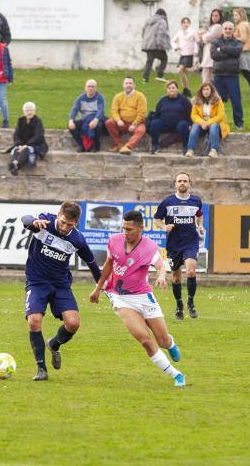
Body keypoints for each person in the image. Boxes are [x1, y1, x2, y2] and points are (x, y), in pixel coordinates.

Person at [89, 210, 185, 388]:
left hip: (144, 297)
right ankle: (176, 374)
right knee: (145, 340)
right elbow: (108, 265)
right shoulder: (114, 241)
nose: (125, 233)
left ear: (141, 228)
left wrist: (162, 276)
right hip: (121, 299)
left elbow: (160, 266)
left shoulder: (149, 247)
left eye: (130, 229)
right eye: (123, 228)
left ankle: (170, 343)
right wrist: (98, 289)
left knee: (162, 341)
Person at [21, 201, 101, 381]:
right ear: (58, 214)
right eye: (63, 222)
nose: (65, 228)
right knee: (34, 321)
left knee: (73, 324)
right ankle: (41, 368)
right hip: (37, 281)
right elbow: (24, 219)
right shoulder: (45, 223)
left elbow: (92, 264)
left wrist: (101, 287)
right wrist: (33, 221)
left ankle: (54, 344)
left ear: (76, 223)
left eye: (70, 224)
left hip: (60, 284)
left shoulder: (78, 240)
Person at [154, 172, 205, 320]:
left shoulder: (196, 201)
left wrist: (200, 225)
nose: (182, 183)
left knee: (190, 271)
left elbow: (200, 215)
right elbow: (157, 219)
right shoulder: (167, 201)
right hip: (174, 244)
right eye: (179, 181)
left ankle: (190, 302)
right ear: (175, 184)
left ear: (189, 184)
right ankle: (179, 305)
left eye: (185, 181)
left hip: (191, 241)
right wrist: (164, 227)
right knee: (175, 278)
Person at [211, 21, 245, 129]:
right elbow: (214, 55)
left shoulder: (238, 42)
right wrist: (230, 53)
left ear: (233, 30)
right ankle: (216, 121)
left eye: (230, 29)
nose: (227, 31)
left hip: (232, 75)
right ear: (222, 30)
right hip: (218, 75)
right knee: (217, 101)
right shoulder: (215, 42)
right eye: (225, 28)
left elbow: (237, 52)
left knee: (236, 100)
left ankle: (239, 123)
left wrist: (223, 49)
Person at [186, 81, 229, 158]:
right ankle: (190, 150)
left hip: (216, 124)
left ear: (211, 90)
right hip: (202, 125)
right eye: (203, 90)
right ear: (201, 91)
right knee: (195, 126)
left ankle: (214, 150)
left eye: (207, 89)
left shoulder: (218, 101)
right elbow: (194, 115)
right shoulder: (197, 100)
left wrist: (208, 123)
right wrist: (202, 122)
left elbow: (220, 115)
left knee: (214, 126)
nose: (205, 91)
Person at [105, 77, 147, 154]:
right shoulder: (118, 96)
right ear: (123, 85)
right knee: (109, 122)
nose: (128, 85)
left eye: (130, 83)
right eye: (126, 83)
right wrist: (118, 120)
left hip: (136, 123)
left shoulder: (140, 96)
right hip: (122, 122)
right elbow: (114, 110)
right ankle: (118, 144)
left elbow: (142, 113)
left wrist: (135, 123)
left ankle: (128, 147)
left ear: (134, 85)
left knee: (141, 130)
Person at [149, 80, 191, 155]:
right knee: (154, 123)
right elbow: (157, 113)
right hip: (165, 124)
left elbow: (190, 113)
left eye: (173, 88)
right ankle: (155, 145)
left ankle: (185, 146)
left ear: (177, 89)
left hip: (179, 124)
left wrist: (190, 124)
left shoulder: (184, 100)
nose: (171, 90)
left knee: (183, 125)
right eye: (169, 88)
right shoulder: (162, 100)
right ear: (167, 90)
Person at [8, 101, 48, 176]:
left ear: (35, 111)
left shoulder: (38, 121)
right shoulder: (20, 120)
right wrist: (19, 144)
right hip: (22, 144)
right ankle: (15, 166)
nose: (29, 112)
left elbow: (38, 136)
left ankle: (14, 164)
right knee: (17, 149)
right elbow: (16, 134)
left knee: (27, 149)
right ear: (23, 112)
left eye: (31, 110)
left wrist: (26, 145)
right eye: (27, 110)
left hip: (36, 144)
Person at [232, 8, 250, 103]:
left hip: (243, 52)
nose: (234, 17)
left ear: (241, 15)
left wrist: (232, 38)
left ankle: (234, 95)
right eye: (234, 15)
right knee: (246, 74)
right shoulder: (244, 24)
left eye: (236, 15)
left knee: (237, 73)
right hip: (245, 52)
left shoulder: (242, 25)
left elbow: (244, 39)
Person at [68, 79, 105, 152]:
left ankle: (96, 146)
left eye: (93, 87)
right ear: (85, 88)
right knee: (71, 126)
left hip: (96, 119)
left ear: (96, 88)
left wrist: (96, 119)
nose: (90, 88)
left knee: (98, 126)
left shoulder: (100, 97)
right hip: (84, 120)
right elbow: (74, 109)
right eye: (89, 86)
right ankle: (82, 145)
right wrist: (71, 120)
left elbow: (101, 110)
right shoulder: (81, 98)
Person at [141, 9, 171, 83]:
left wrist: (146, 42)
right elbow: (161, 33)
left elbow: (143, 32)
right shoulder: (162, 21)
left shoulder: (148, 20)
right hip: (157, 45)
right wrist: (160, 45)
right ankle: (159, 75)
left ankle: (145, 78)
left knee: (149, 61)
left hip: (148, 46)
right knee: (164, 59)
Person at [171, 17, 197, 97]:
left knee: (180, 70)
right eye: (184, 23)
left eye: (187, 22)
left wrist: (196, 51)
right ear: (181, 24)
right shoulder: (179, 33)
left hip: (189, 54)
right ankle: (187, 89)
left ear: (189, 24)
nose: (186, 24)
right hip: (183, 54)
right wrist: (176, 47)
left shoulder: (193, 32)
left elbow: (196, 41)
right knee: (182, 72)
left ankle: (186, 89)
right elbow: (172, 40)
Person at [199, 8, 224, 84]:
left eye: (216, 16)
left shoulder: (218, 27)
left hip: (212, 51)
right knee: (207, 73)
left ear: (220, 17)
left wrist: (203, 36)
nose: (214, 17)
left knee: (209, 73)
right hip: (208, 50)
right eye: (213, 15)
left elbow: (208, 37)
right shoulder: (212, 26)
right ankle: (207, 90)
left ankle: (208, 90)